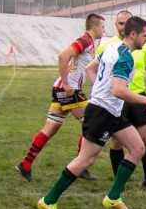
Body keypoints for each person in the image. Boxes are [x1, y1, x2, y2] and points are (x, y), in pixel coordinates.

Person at [36, 16, 146, 209]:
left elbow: (91, 70)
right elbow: (119, 90)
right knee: (85, 159)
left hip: (112, 111)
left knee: (137, 148)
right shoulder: (125, 57)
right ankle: (49, 200)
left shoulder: (111, 49)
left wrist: (99, 88)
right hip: (102, 112)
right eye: (144, 35)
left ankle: (113, 197)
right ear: (133, 34)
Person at [16, 13, 106, 181]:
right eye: (102, 26)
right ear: (94, 27)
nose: (104, 30)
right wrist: (66, 83)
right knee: (92, 122)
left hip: (62, 90)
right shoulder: (85, 40)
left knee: (51, 128)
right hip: (68, 90)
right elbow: (63, 56)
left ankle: (25, 164)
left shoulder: (90, 43)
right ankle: (81, 166)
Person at [98, 11, 146, 191]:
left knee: (145, 140)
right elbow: (95, 69)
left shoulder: (144, 46)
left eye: (126, 23)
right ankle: (120, 183)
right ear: (115, 25)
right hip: (117, 100)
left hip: (139, 97)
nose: (122, 26)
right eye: (119, 23)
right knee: (116, 143)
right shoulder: (108, 46)